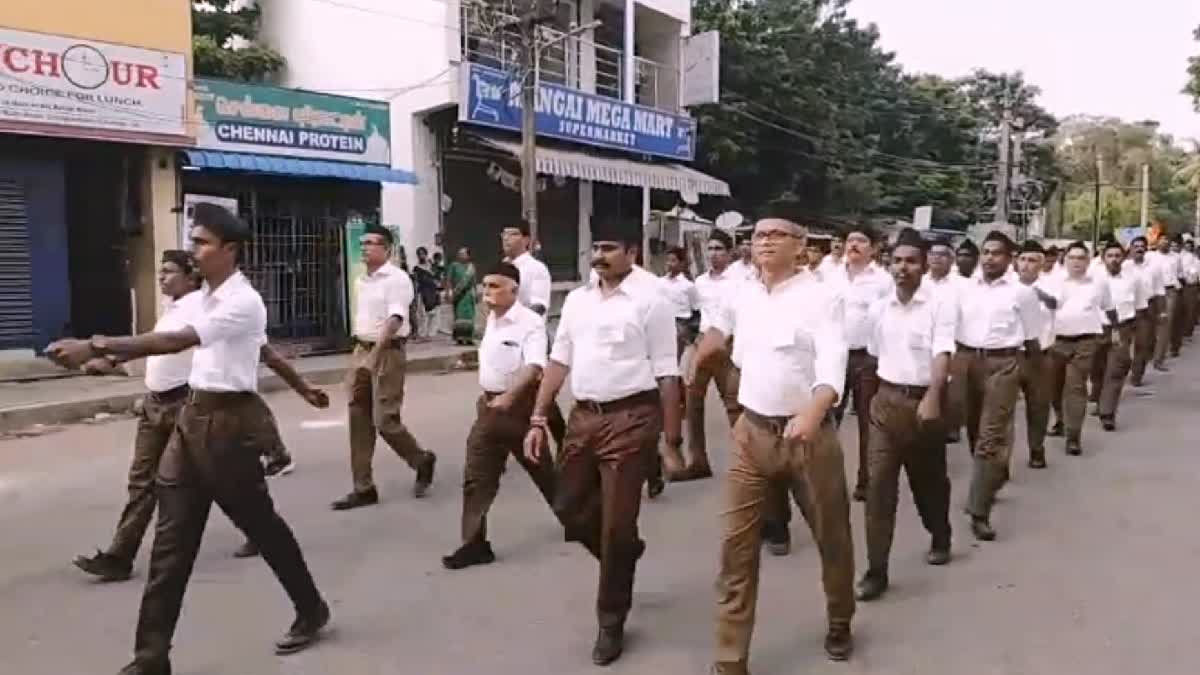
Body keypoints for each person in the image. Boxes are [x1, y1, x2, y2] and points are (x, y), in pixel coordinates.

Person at [46, 203, 331, 674]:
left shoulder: (243, 301)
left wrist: (96, 344)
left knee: (264, 529)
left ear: (231, 250)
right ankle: (151, 658)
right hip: (191, 419)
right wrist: (109, 359)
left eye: (202, 242)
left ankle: (311, 607)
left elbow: (177, 343)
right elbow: (163, 340)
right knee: (169, 546)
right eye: (194, 241)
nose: (194, 250)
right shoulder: (200, 299)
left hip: (231, 426)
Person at [70, 250, 329, 579]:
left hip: (188, 404)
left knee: (221, 481)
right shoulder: (172, 308)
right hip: (155, 406)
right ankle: (121, 555)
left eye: (169, 272)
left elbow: (263, 353)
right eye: (160, 271)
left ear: (191, 277)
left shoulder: (211, 307)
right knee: (143, 482)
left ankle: (259, 532)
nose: (161, 277)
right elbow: (152, 345)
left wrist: (302, 387)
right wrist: (110, 362)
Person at [695, 218, 854, 671]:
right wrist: (701, 353)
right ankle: (730, 659)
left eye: (776, 235)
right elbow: (717, 330)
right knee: (736, 550)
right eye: (758, 235)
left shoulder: (822, 297)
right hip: (753, 432)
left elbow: (832, 362)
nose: (763, 242)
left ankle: (840, 618)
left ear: (800, 246)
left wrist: (812, 412)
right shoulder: (742, 291)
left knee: (832, 537)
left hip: (808, 437)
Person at [523, 218, 682, 666]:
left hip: (633, 418)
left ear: (632, 252)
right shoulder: (577, 301)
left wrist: (671, 441)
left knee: (615, 524)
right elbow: (559, 360)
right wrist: (538, 415)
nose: (600, 255)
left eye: (609, 247)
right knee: (568, 509)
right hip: (583, 418)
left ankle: (611, 619)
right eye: (596, 247)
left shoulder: (652, 301)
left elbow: (669, 372)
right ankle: (624, 553)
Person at [443, 262, 564, 570]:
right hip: (489, 408)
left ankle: (580, 519)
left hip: (519, 408)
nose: (487, 293)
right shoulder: (491, 320)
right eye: (485, 286)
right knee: (476, 476)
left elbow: (535, 365)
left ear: (514, 289)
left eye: (494, 286)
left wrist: (510, 397)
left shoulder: (530, 323)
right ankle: (475, 543)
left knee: (543, 472)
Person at [856, 228, 954, 603]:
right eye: (897, 261)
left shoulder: (939, 305)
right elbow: (875, 355)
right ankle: (876, 569)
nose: (903, 268)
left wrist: (932, 395)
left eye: (911, 261)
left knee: (928, 483)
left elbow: (942, 352)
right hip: (886, 402)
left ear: (924, 264)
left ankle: (940, 533)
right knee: (879, 486)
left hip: (924, 405)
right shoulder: (880, 307)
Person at [331, 224, 437, 510]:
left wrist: (375, 355)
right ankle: (363, 487)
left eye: (371, 243)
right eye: (362, 244)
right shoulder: (361, 280)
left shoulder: (397, 279)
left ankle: (420, 459)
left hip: (387, 353)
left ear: (387, 249)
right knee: (358, 416)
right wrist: (358, 359)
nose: (364, 248)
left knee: (384, 419)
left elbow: (396, 318)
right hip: (361, 349)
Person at [955, 231, 1041, 542]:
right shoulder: (963, 289)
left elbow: (1032, 339)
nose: (990, 258)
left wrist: (1029, 377)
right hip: (966, 361)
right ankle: (994, 473)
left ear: (1009, 259)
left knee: (990, 436)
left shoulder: (1022, 293)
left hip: (1003, 364)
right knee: (974, 430)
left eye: (997, 253)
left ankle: (979, 510)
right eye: (986, 252)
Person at [828, 227, 893, 502]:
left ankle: (866, 481)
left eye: (861, 241)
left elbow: (889, 320)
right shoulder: (830, 276)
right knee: (829, 420)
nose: (853, 245)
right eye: (850, 240)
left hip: (868, 358)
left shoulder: (883, 280)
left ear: (873, 248)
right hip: (835, 356)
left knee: (868, 422)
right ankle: (826, 480)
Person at [682, 229, 742, 484]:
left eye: (719, 249)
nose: (714, 254)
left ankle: (746, 460)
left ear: (729, 253)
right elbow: (696, 313)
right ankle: (697, 460)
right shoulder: (700, 282)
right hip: (704, 342)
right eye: (711, 249)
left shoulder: (741, 281)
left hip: (729, 346)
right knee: (692, 403)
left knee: (735, 406)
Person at [1049, 241, 1115, 457]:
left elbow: (1109, 307)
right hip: (1056, 342)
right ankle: (1060, 418)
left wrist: (1115, 331)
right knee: (1055, 386)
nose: (1076, 262)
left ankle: (1073, 436)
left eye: (1081, 258)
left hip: (1085, 341)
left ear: (1088, 261)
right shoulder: (1053, 282)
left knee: (1075, 387)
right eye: (1072, 258)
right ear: (1065, 260)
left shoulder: (1098, 283)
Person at [1013, 241, 1058, 469]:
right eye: (1023, 259)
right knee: (1001, 410)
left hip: (1040, 354)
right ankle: (999, 460)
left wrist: (1033, 293)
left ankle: (1036, 448)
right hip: (1012, 355)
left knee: (1039, 406)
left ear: (1041, 264)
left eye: (1032, 261)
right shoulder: (1006, 286)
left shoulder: (1052, 284)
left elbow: (1055, 303)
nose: (1026, 265)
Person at [1093, 240, 1144, 431]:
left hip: (1121, 328)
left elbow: (1139, 306)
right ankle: (1098, 398)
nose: (1114, 260)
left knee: (1117, 368)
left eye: (1117, 256)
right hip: (1097, 328)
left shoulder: (1133, 279)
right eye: (1110, 256)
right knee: (1096, 369)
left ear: (1123, 258)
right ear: (1103, 258)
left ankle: (1108, 413)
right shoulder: (1093, 278)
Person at [1123, 236, 1164, 386]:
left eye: (1142, 246)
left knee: (1144, 343)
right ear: (1131, 249)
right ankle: (1122, 369)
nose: (1139, 249)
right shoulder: (1124, 266)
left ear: (1146, 249)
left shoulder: (1153, 268)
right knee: (1123, 345)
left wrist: (1162, 311)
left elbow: (1159, 290)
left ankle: (1137, 375)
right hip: (1126, 309)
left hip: (1147, 309)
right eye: (1136, 246)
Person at [660, 246, 701, 362]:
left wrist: (692, 331)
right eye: (668, 260)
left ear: (681, 263)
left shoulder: (688, 286)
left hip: (680, 323)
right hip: (662, 321)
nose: (669, 264)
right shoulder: (660, 282)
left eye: (673, 261)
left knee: (675, 356)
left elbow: (696, 307)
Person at [1146, 236, 1178, 371]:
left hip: (1169, 292)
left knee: (1165, 326)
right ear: (1157, 242)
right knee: (1148, 326)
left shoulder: (1176, 257)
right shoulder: (1149, 256)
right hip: (1152, 293)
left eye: (1167, 240)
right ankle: (1146, 355)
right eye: (1162, 240)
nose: (1165, 242)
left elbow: (1179, 273)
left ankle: (1159, 360)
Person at [447, 246, 478, 345]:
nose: (461, 255)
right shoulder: (454, 266)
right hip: (458, 296)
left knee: (469, 316)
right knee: (459, 316)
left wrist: (475, 293)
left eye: (463, 253)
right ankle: (459, 338)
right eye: (460, 253)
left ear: (468, 256)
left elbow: (474, 282)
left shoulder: (471, 267)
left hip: (468, 295)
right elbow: (449, 280)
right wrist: (449, 292)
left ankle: (469, 338)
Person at [412, 246, 442, 341]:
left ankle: (431, 334)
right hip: (423, 292)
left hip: (433, 291)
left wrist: (438, 288)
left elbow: (438, 278)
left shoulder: (432, 266)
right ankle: (422, 334)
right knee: (422, 314)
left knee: (434, 313)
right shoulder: (416, 268)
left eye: (423, 254)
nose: (421, 256)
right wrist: (415, 295)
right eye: (419, 254)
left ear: (426, 254)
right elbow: (416, 282)